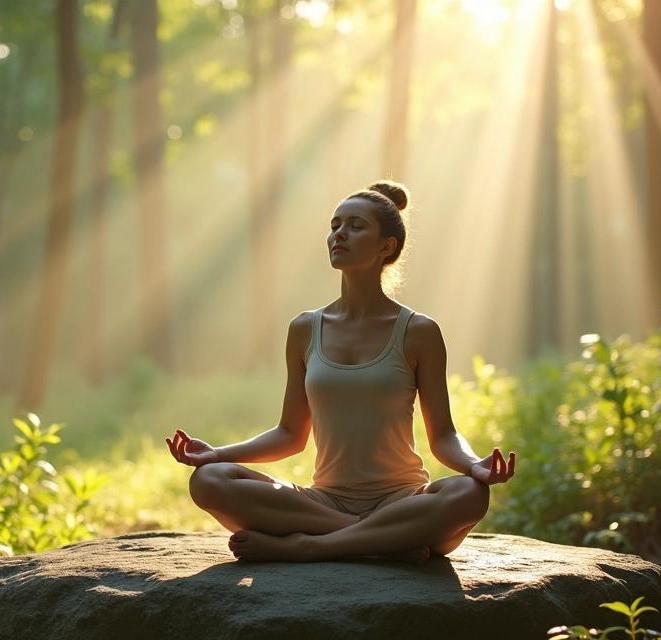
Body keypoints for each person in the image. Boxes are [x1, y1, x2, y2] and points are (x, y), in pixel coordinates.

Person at [165, 180, 515, 563]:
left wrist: (473, 465)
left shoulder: (418, 331)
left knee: (469, 493)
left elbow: (444, 435)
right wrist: (215, 453)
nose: (339, 234)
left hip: (403, 501)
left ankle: (308, 547)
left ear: (387, 246)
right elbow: (289, 434)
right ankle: (378, 542)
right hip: (323, 502)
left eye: (355, 226)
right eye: (335, 225)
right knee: (210, 480)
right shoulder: (304, 328)